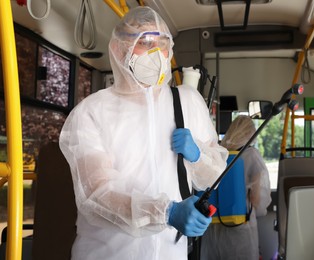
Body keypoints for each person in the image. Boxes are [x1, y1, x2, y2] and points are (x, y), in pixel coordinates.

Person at [59, 6, 228, 260]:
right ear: (119, 50)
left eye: (161, 44)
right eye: (144, 43)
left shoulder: (187, 102)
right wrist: (166, 213)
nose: (155, 53)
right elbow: (96, 196)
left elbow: (213, 175)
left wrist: (198, 156)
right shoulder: (93, 112)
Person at [200, 115, 272, 260]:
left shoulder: (218, 153)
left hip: (213, 227)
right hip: (240, 227)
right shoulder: (252, 155)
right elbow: (257, 199)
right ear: (250, 134)